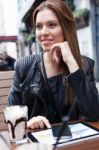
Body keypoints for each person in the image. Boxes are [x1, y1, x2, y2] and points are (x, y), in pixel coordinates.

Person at [8, 0, 99, 129]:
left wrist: (71, 62)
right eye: (39, 27)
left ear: (66, 28)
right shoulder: (23, 67)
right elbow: (13, 116)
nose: (43, 32)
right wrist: (27, 123)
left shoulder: (85, 65)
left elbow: (93, 114)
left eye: (52, 25)